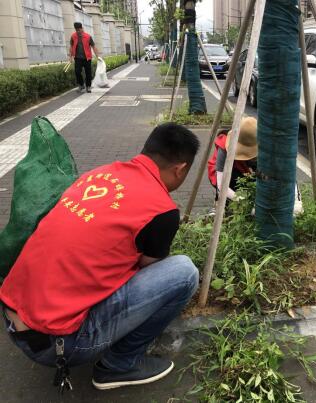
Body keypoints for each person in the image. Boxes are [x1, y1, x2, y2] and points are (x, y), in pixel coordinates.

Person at [0, 123, 200, 390]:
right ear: (180, 169)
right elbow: (148, 270)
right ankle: (119, 365)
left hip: (13, 315)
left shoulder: (99, 174)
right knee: (183, 273)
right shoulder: (161, 210)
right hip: (56, 344)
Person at [208, 117, 258, 201]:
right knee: (230, 192)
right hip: (224, 172)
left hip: (243, 168)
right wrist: (243, 201)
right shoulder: (224, 146)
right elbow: (221, 185)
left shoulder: (256, 138)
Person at [70, 22, 100, 93]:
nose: (78, 31)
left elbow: (93, 46)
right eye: (76, 30)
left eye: (79, 30)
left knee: (88, 73)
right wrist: (70, 57)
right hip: (77, 58)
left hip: (87, 58)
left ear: (82, 28)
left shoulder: (88, 37)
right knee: (77, 72)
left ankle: (88, 86)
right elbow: (71, 46)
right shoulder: (73, 36)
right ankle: (81, 85)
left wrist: (97, 56)